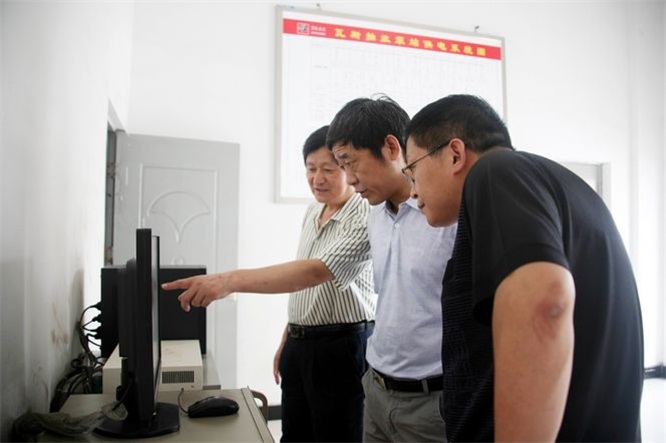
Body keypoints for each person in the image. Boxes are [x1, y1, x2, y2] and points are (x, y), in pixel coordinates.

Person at [403, 94, 644, 442]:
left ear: (455, 154)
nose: (412, 192)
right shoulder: (564, 188)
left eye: (412, 170)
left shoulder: (496, 172)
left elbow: (545, 303)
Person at [162, 126, 376, 442]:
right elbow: (308, 283)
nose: (317, 179)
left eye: (328, 170)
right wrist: (292, 333)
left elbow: (314, 272)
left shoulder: (365, 213)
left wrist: (228, 281)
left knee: (337, 435)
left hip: (341, 345)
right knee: (295, 434)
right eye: (311, 169)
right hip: (301, 341)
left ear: (347, 167)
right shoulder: (313, 210)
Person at [326, 96, 456, 442]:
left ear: (391, 147)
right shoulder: (376, 216)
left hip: (432, 400)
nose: (349, 179)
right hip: (377, 388)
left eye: (350, 162)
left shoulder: (448, 215)